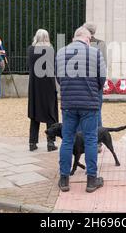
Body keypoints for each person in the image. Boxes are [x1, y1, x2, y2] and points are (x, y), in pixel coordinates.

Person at [55, 27, 106, 193]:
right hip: (89, 102)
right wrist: (93, 88)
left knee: (67, 140)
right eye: (90, 39)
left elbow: (58, 77)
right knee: (91, 139)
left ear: (74, 38)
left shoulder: (61, 52)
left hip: (68, 102)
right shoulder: (95, 53)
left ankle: (64, 179)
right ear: (87, 39)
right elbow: (102, 78)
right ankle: (91, 180)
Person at [27, 29, 59, 152]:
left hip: (35, 86)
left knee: (34, 114)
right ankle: (50, 142)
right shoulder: (50, 50)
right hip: (48, 85)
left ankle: (32, 142)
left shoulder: (31, 50)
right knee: (50, 113)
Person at [84, 23, 107, 153]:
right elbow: (104, 65)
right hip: (96, 82)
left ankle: (85, 140)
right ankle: (98, 142)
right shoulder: (101, 44)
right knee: (97, 111)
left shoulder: (81, 43)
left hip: (83, 82)